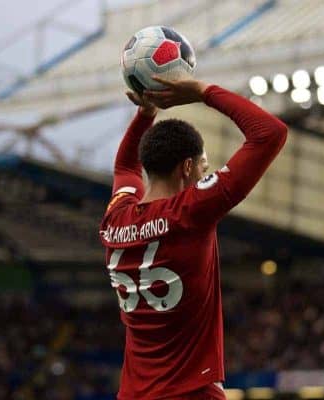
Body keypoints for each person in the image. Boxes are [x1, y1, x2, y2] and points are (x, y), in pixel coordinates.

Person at [99, 76, 287, 400]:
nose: (204, 173)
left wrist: (146, 114)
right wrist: (203, 91)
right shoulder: (190, 212)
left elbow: (125, 166)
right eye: (203, 166)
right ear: (187, 167)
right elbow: (270, 133)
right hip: (190, 392)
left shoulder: (115, 220)